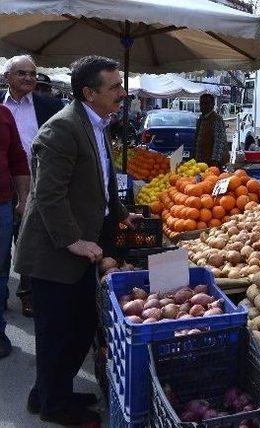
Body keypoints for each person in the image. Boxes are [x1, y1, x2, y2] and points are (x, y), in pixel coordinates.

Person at [14, 55, 136, 425]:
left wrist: (118, 213)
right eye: (114, 87)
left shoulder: (97, 124)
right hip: (54, 251)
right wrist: (74, 242)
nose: (123, 92)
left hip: (81, 243)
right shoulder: (62, 129)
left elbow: (101, 179)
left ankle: (48, 393)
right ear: (89, 92)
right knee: (59, 332)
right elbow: (48, 195)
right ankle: (54, 406)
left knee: (79, 326)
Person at [1, 55, 64, 317]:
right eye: (22, 73)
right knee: (3, 247)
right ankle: (1, 298)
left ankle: (29, 295)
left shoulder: (50, 105)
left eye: (32, 73)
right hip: (6, 184)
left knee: (31, 244)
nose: (29, 78)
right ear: (7, 77)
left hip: (40, 185)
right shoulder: (1, 109)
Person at [0, 104, 30, 359]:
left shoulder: (4, 114)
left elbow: (18, 159)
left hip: (2, 203)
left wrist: (23, 198)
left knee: (0, 268)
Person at [194, 93, 229, 167]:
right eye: (201, 103)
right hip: (202, 163)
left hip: (214, 164)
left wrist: (215, 161)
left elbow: (219, 142)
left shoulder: (217, 119)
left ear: (212, 105)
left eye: (206, 103)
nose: (203, 106)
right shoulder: (201, 119)